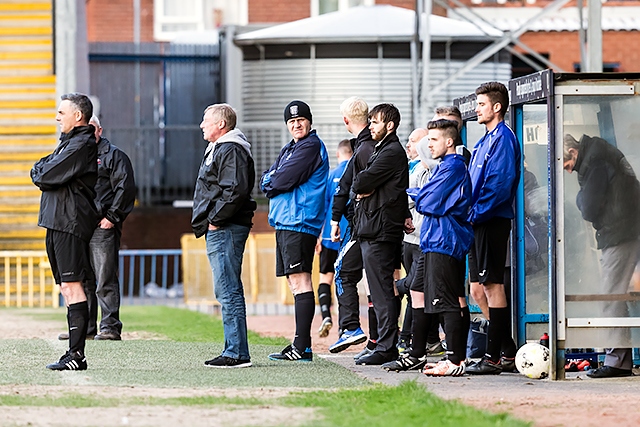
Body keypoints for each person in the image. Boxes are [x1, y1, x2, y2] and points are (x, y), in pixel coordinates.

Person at [563, 133, 640, 378]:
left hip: (620, 233)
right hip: (626, 229)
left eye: (567, 165)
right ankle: (619, 358)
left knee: (610, 295)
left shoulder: (594, 161)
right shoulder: (597, 152)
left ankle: (617, 361)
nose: (567, 171)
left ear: (573, 152)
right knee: (616, 294)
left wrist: (578, 198)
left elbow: (588, 207)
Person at [31, 93, 99, 370]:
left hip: (69, 222)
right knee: (65, 287)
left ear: (78, 116)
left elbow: (44, 174)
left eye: (62, 113)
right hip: (56, 221)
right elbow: (40, 170)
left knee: (72, 286)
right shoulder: (68, 144)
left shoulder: (81, 144)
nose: (57, 118)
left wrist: (42, 172)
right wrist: (42, 172)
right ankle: (73, 353)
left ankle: (76, 355)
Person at [57, 116, 136, 342]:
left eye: (91, 130)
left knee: (105, 277)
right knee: (82, 279)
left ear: (99, 130)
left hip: (102, 226)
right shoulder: (72, 153)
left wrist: (111, 217)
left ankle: (110, 327)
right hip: (78, 226)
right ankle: (86, 328)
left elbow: (126, 188)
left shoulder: (115, 156)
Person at [261, 100, 329, 362]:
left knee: (301, 282)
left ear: (309, 121)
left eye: (300, 120)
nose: (296, 124)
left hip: (299, 221)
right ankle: (301, 345)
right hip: (286, 221)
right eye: (291, 121)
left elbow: (279, 179)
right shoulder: (291, 148)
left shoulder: (310, 146)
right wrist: (273, 179)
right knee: (294, 282)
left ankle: (302, 346)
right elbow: (268, 178)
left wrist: (273, 179)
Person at [192, 104, 257, 368]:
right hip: (223, 226)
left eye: (206, 120)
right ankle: (235, 349)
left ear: (221, 124)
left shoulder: (230, 148)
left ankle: (236, 353)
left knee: (228, 289)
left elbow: (236, 190)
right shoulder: (223, 148)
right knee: (227, 288)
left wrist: (215, 221)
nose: (201, 125)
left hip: (226, 228)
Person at [465, 82, 521, 375]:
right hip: (476, 221)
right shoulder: (484, 139)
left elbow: (498, 185)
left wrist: (475, 214)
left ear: (497, 107)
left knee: (492, 285)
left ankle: (493, 358)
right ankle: (508, 350)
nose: (477, 109)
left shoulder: (503, 139)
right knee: (476, 290)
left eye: (482, 104)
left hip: (491, 220)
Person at [352, 103, 411, 366]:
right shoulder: (382, 149)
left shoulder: (392, 151)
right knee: (378, 290)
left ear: (390, 125)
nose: (370, 126)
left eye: (375, 122)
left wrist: (367, 186)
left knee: (382, 290)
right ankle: (384, 345)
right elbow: (360, 182)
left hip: (381, 229)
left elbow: (361, 182)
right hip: (373, 227)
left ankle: (387, 347)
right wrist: (365, 185)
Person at [329, 97, 377, 359]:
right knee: (378, 283)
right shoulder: (369, 146)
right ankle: (379, 340)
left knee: (342, 272)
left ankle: (350, 327)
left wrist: (337, 219)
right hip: (367, 223)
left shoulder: (364, 149)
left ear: (346, 121)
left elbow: (351, 187)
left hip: (364, 225)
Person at [316, 139, 352, 338]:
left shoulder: (331, 176)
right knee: (347, 281)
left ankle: (325, 316)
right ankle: (344, 326)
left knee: (326, 278)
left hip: (330, 236)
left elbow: (322, 208)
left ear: (338, 155)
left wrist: (319, 235)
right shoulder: (357, 172)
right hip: (351, 236)